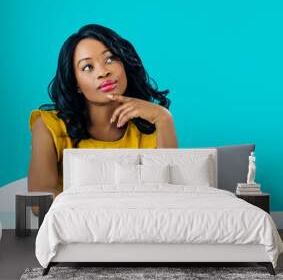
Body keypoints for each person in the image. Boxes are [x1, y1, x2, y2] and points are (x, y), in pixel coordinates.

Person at [27, 24, 178, 214]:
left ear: (124, 65)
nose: (103, 72)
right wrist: (114, 210)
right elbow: (37, 202)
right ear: (76, 84)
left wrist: (164, 119)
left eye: (110, 59)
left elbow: (173, 196)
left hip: (141, 234)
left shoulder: (152, 126)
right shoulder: (49, 126)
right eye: (88, 67)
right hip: (75, 236)